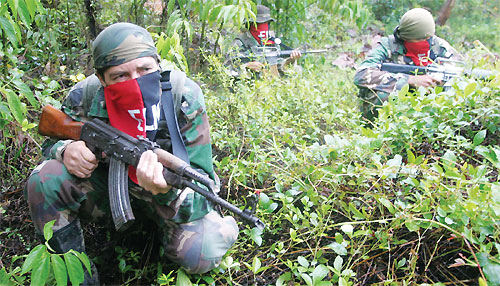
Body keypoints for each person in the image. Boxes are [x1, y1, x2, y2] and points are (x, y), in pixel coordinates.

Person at [24, 23, 239, 285]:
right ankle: (74, 275)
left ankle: (223, 228)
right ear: (101, 79)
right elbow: (51, 141)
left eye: (145, 70)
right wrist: (65, 149)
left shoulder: (183, 96)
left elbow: (205, 184)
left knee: (199, 255)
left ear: (158, 65)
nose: (135, 81)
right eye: (120, 75)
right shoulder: (85, 96)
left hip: (169, 201)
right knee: (44, 178)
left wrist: (165, 189)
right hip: (108, 193)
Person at [354, 8, 462, 121]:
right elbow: (361, 75)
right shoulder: (388, 46)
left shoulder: (439, 47)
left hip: (427, 104)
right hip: (397, 101)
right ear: (407, 37)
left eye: (429, 38)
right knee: (381, 95)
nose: (427, 42)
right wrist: (409, 80)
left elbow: (457, 75)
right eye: (421, 39)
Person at [227, 4, 302, 77]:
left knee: (298, 70)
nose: (263, 27)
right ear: (251, 24)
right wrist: (246, 66)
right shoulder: (240, 43)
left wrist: (291, 60)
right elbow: (227, 69)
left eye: (266, 23)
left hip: (270, 85)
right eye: (259, 24)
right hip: (248, 86)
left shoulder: (272, 42)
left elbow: (280, 68)